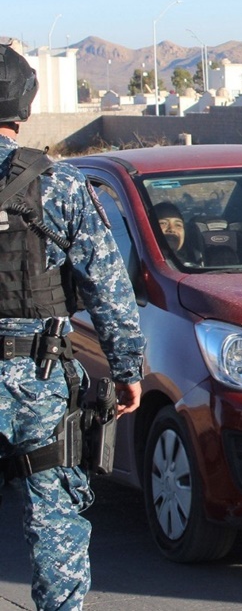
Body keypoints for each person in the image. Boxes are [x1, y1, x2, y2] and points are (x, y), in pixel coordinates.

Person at [0, 43, 145, 609]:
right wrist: (128, 368)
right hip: (36, 376)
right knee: (54, 517)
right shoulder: (59, 185)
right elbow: (107, 287)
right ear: (25, 109)